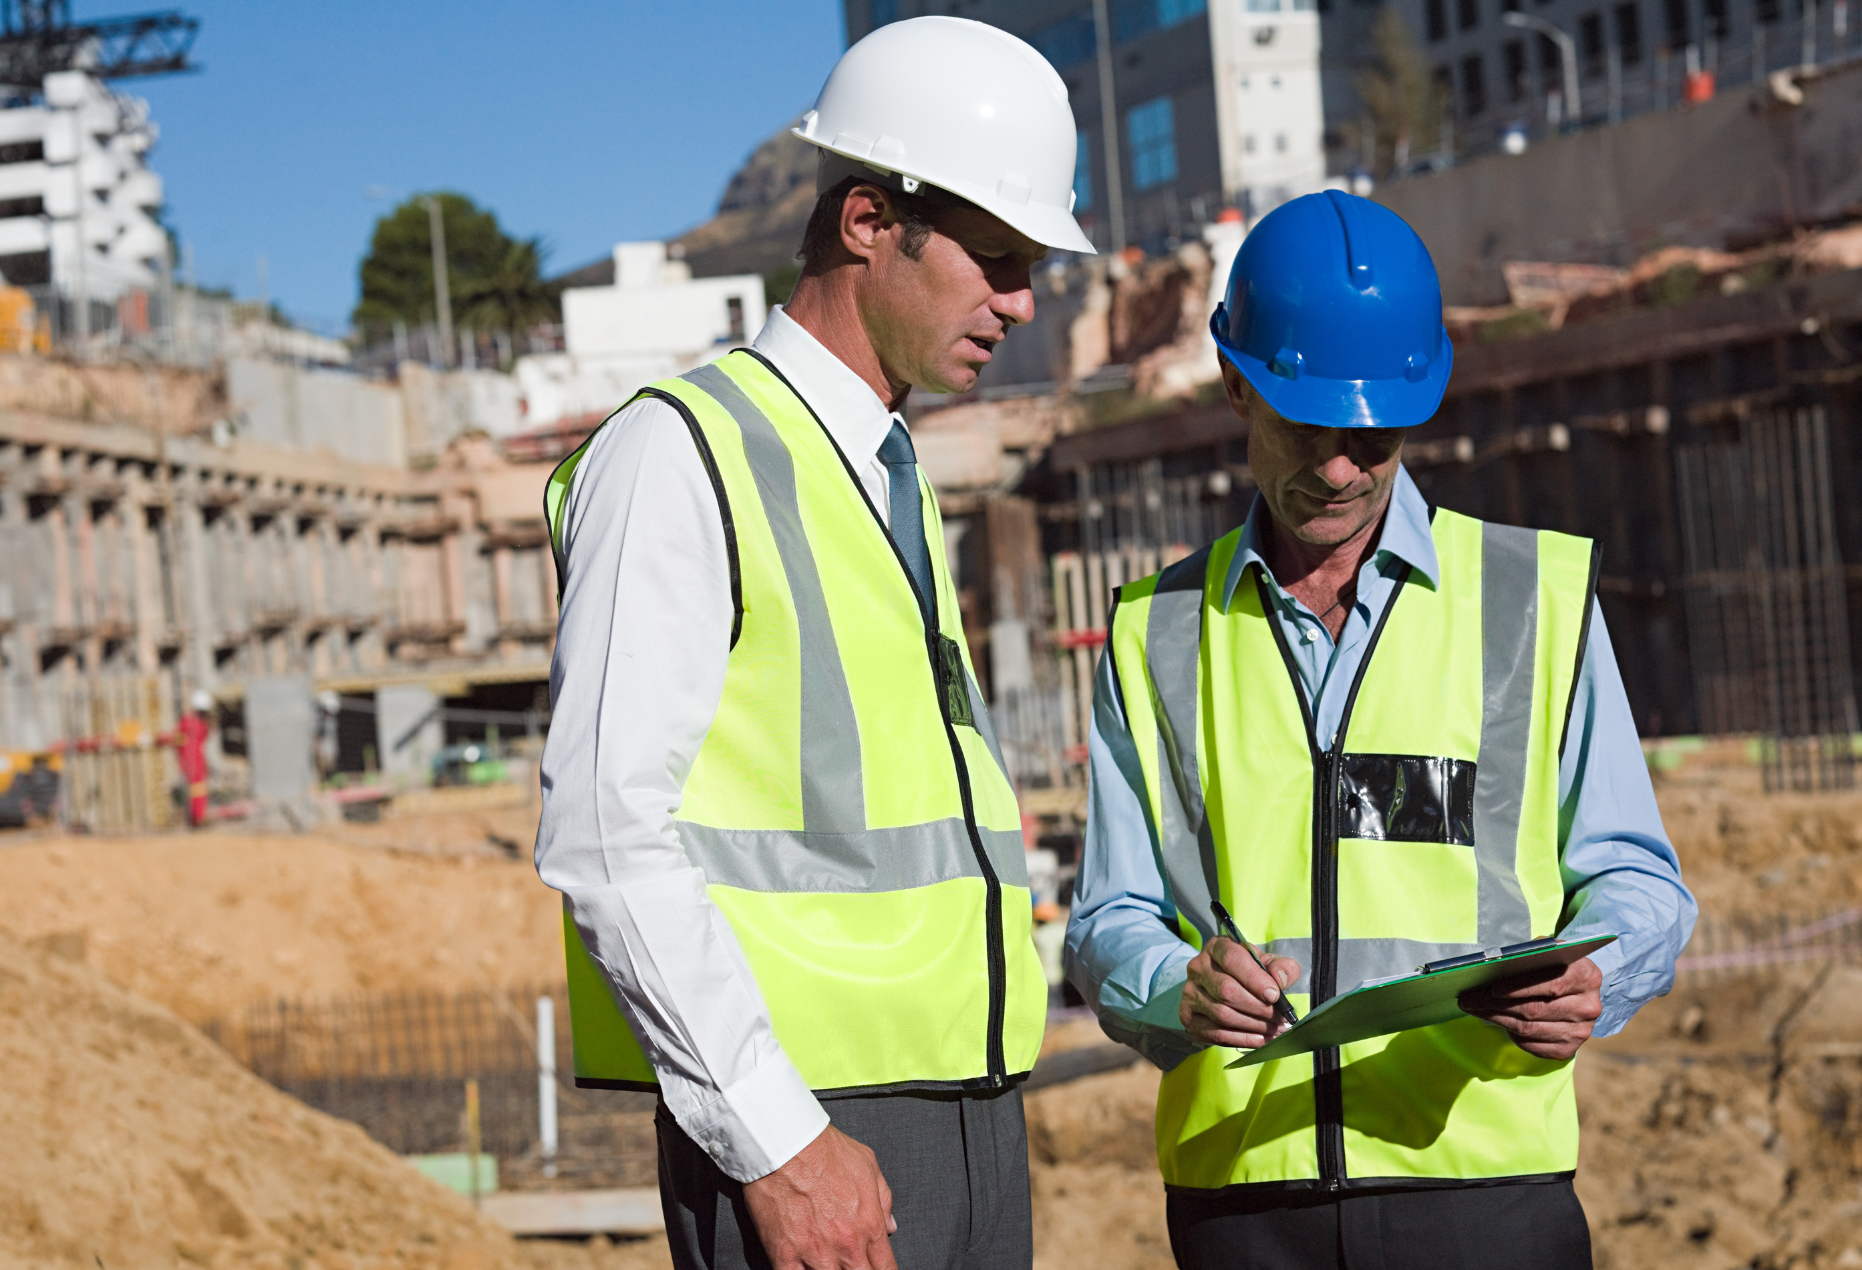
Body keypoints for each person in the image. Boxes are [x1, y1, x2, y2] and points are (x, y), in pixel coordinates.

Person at [534, 18, 1095, 1270]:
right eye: (996, 258)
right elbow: (606, 837)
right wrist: (778, 1141)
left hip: (966, 1111)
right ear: (863, 222)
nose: (1018, 301)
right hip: (810, 1133)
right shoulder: (681, 453)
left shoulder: (881, 477)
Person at [1065, 191, 1696, 1270]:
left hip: (1484, 1187)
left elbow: (1638, 879)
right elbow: (1106, 916)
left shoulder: (1531, 600)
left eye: (1373, 433)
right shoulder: (1155, 633)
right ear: (1233, 385)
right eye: (1308, 424)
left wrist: (1599, 978)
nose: (1343, 467)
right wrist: (1178, 984)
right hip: (1246, 1203)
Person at [177, 688, 214, 828]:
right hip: (195, 761)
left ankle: (195, 817)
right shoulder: (199, 724)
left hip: (189, 761)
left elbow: (177, 738)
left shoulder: (185, 721)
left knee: (195, 790)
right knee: (197, 790)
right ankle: (197, 818)